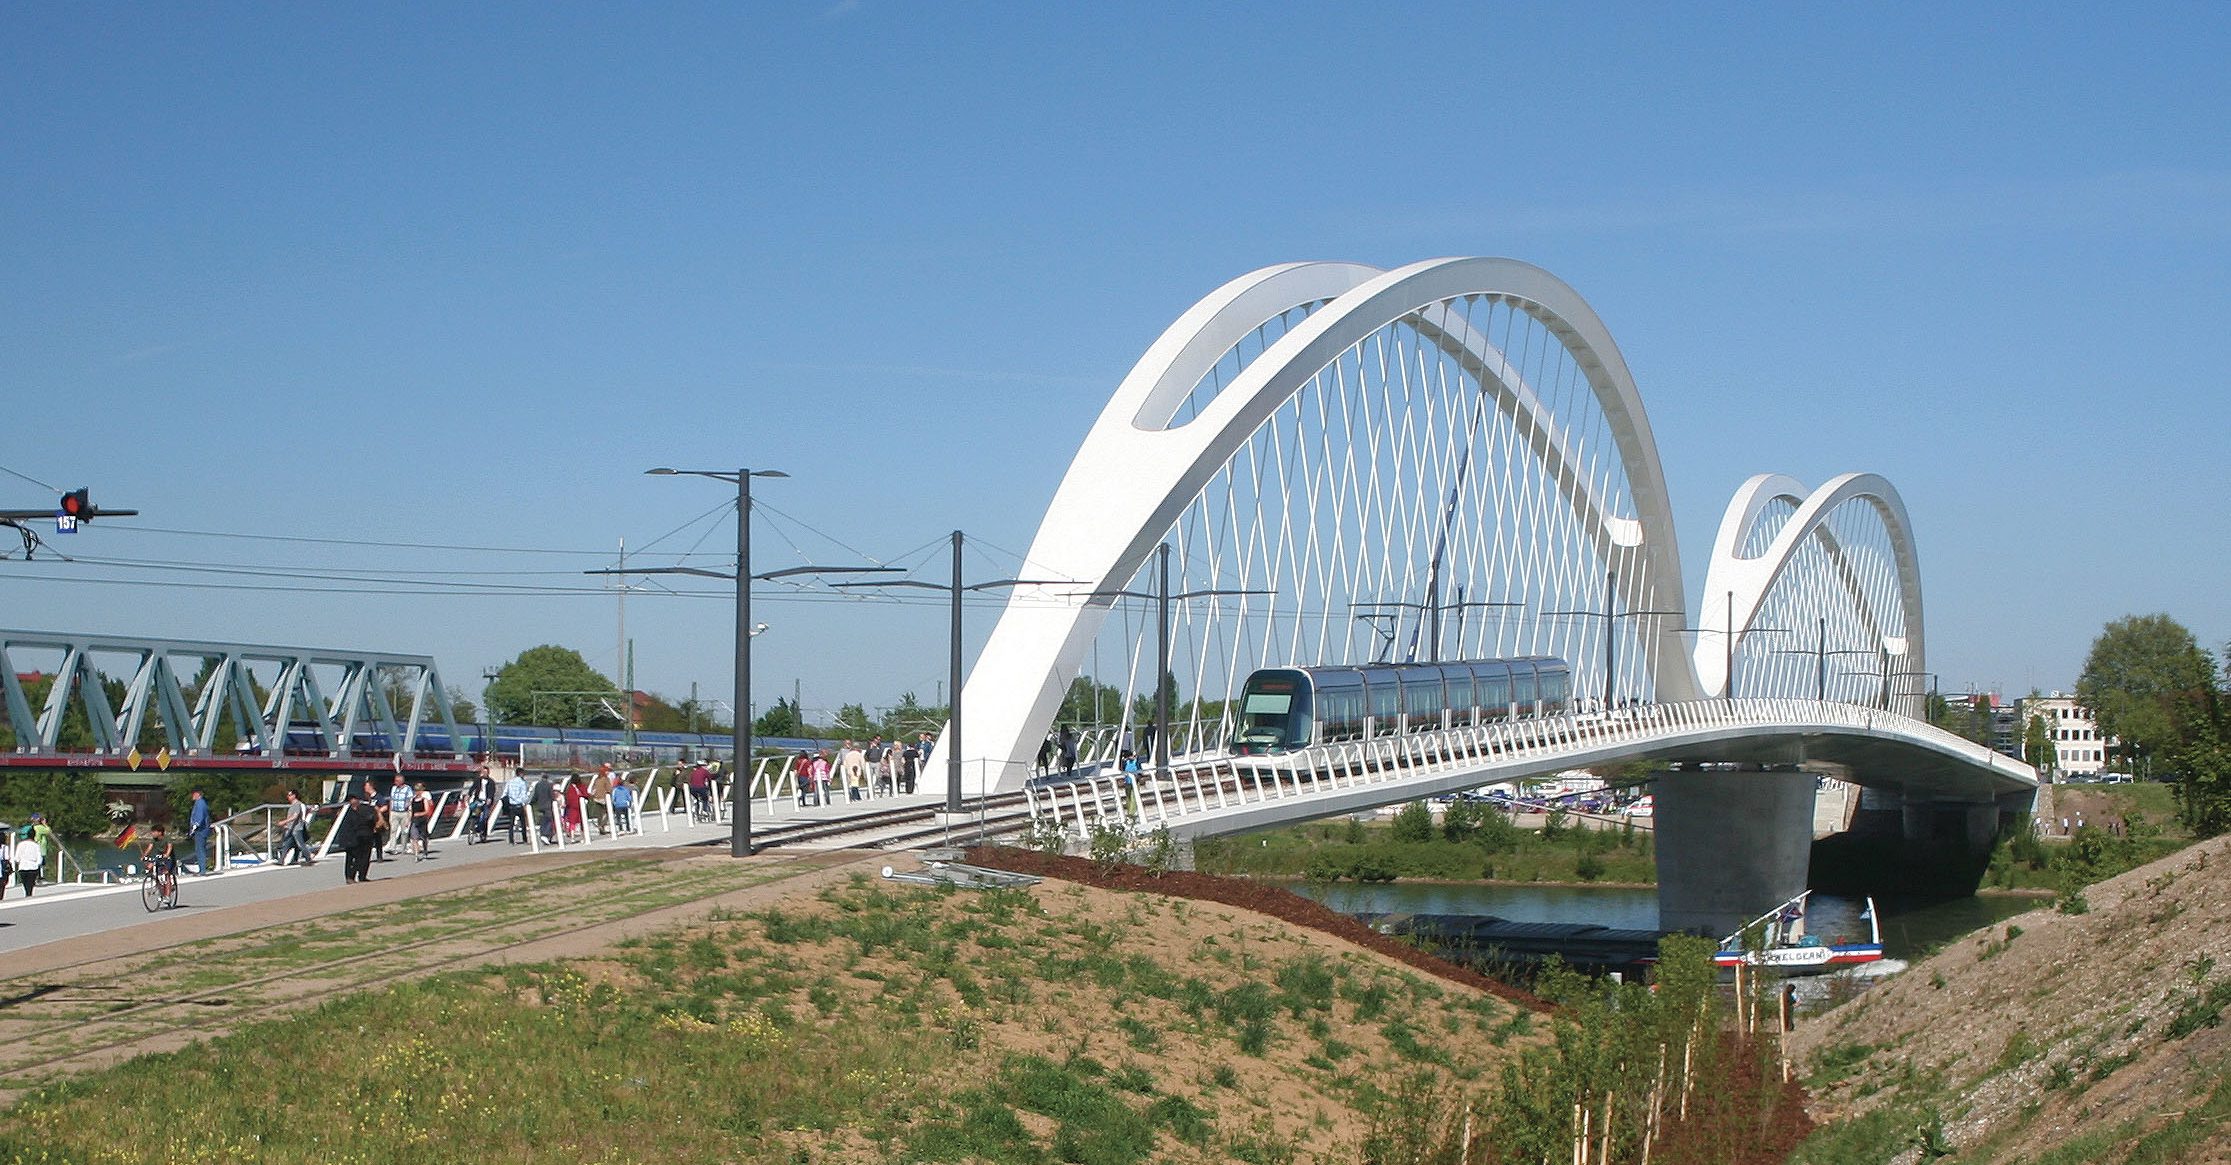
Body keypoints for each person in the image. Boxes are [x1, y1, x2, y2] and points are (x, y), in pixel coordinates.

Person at [333, 792, 379, 884]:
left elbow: (372, 820)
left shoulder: (362, 809)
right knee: (356, 858)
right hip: (355, 837)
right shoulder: (349, 811)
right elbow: (370, 820)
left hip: (361, 836)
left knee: (361, 857)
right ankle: (351, 876)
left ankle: (359, 876)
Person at [276, 790, 316, 867]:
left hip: (296, 828)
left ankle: (308, 858)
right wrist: (287, 825)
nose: (288, 797)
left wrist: (284, 822)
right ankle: (281, 860)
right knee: (286, 845)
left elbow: (295, 816)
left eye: (289, 795)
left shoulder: (297, 805)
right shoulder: (294, 805)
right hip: (291, 828)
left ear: (294, 795)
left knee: (300, 844)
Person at [385, 775, 416, 859]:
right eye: (395, 781)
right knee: (393, 830)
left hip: (404, 812)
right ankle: (392, 848)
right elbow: (391, 799)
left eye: (397, 781)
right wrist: (390, 811)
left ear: (402, 781)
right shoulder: (393, 788)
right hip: (394, 811)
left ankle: (404, 848)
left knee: (404, 831)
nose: (395, 782)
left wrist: (407, 806)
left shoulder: (408, 789)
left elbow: (410, 799)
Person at [187, 789, 214, 875]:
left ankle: (202, 870)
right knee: (199, 849)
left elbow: (200, 815)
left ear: (198, 794)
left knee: (200, 850)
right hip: (201, 829)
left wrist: (195, 825)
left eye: (194, 794)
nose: (192, 796)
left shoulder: (200, 803)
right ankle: (201, 869)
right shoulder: (201, 803)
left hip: (201, 830)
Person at [502, 767, 530, 843]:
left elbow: (505, 793)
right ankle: (524, 839)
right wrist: (526, 802)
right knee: (523, 823)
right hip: (519, 805)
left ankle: (511, 840)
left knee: (511, 824)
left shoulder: (510, 782)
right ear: (521, 774)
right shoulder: (522, 783)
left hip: (511, 805)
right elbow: (524, 795)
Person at [12, 827, 42, 897]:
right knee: (30, 885)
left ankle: (27, 895)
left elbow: (16, 858)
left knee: (25, 885)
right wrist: (37, 864)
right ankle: (29, 895)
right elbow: (39, 858)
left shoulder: (20, 844)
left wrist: (20, 861)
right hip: (33, 867)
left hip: (23, 867)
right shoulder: (36, 845)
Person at [530, 771, 557, 844]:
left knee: (543, 821)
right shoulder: (549, 785)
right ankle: (546, 835)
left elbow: (535, 795)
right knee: (549, 821)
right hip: (548, 806)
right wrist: (554, 801)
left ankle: (543, 834)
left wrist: (531, 803)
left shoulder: (538, 785)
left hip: (540, 805)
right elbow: (551, 795)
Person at [410, 783, 435, 859]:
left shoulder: (424, 800)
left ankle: (425, 851)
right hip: (414, 820)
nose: (417, 792)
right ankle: (416, 854)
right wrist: (409, 820)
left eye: (418, 790)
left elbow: (427, 810)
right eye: (415, 790)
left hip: (422, 819)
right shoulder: (413, 799)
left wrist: (420, 814)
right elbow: (411, 810)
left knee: (424, 836)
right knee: (414, 837)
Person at [562, 774, 587, 843]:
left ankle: (572, 837)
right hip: (580, 806)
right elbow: (586, 794)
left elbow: (568, 798)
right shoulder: (582, 786)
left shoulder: (569, 788)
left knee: (572, 823)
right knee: (581, 822)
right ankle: (583, 837)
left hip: (572, 807)